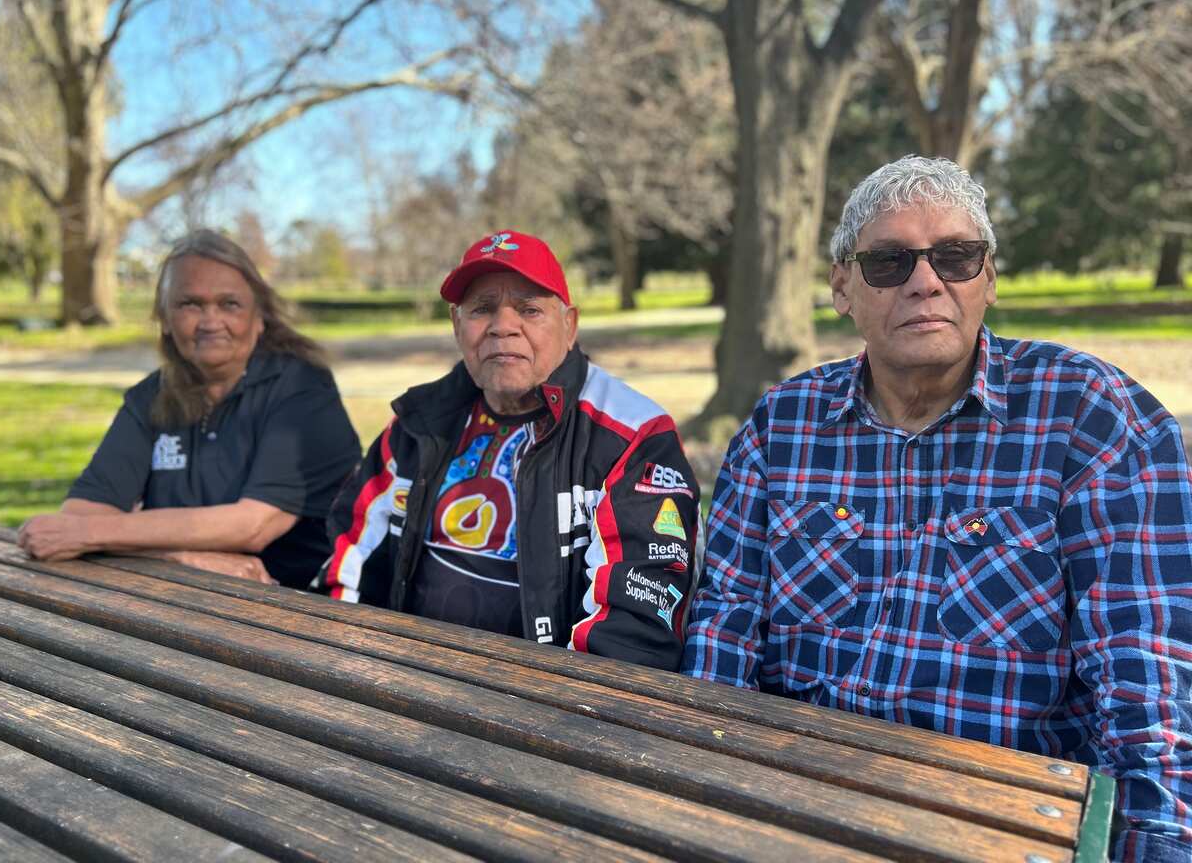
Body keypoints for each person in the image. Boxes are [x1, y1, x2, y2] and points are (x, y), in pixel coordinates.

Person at [681, 156, 1192, 860]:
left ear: (988, 279)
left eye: (955, 256)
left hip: (1001, 817)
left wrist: (1156, 842)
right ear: (841, 287)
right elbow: (726, 628)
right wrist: (705, 787)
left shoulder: (1091, 418)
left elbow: (1146, 665)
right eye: (889, 262)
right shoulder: (782, 425)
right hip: (797, 796)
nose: (926, 282)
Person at [321, 230, 699, 668]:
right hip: (404, 671)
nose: (503, 326)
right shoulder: (417, 423)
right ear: (456, 325)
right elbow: (350, 559)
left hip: (548, 696)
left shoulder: (633, 433)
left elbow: (634, 630)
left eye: (529, 309)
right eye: (482, 309)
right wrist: (347, 661)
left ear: (569, 325)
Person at [18, 229, 362, 589]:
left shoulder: (302, 388)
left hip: (303, 609)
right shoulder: (150, 396)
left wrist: (95, 536)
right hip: (187, 598)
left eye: (229, 304)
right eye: (190, 304)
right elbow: (82, 515)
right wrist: (176, 558)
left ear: (260, 318)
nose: (210, 322)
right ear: (164, 319)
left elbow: (253, 526)